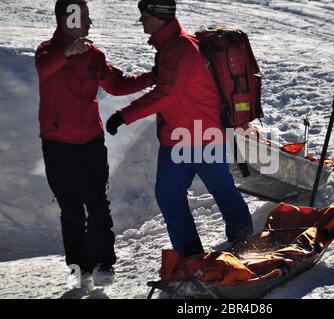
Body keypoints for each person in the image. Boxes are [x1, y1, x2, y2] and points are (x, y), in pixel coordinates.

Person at [106, 0, 254, 257]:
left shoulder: (180, 48)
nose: (141, 20)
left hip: (202, 136)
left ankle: (246, 245)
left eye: (145, 14)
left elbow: (166, 94)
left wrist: (124, 116)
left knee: (222, 190)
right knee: (168, 194)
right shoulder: (170, 46)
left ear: (159, 15)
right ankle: (190, 256)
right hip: (178, 137)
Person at [35, 0, 153, 287]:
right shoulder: (46, 52)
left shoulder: (93, 55)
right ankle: (79, 270)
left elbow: (118, 84)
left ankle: (104, 266)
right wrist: (66, 51)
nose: (89, 23)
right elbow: (47, 67)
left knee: (98, 205)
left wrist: (155, 77)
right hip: (58, 146)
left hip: (91, 143)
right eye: (84, 17)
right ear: (68, 18)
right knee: (72, 210)